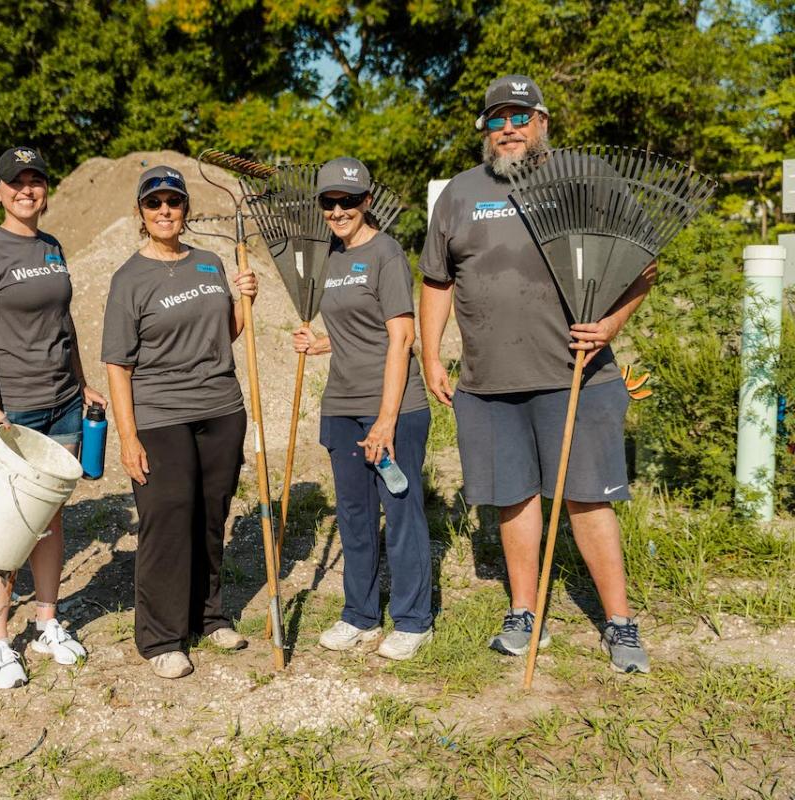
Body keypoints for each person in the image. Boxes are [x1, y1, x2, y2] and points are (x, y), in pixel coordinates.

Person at [419, 75, 654, 673]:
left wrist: (611, 326)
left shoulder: (584, 179)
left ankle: (620, 623)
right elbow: (436, 281)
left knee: (587, 500)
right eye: (496, 119)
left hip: (575, 374)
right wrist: (428, 354)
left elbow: (645, 262)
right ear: (485, 132)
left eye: (520, 117)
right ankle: (526, 613)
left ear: (543, 122)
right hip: (487, 381)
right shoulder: (459, 195)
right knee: (512, 497)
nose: (509, 129)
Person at [0, 145, 105, 689]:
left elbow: (64, 323)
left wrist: (83, 379)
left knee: (49, 518)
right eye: (15, 183)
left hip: (63, 400)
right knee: (6, 523)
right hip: (13, 408)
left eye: (35, 181)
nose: (26, 190)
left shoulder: (52, 246)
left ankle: (46, 621)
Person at [101, 165, 258, 679]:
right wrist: (128, 437)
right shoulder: (129, 279)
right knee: (167, 519)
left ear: (186, 209)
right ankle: (162, 636)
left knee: (212, 517)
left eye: (173, 201)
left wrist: (246, 303)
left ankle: (208, 617)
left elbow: (224, 335)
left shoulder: (210, 263)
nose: (164, 210)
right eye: (154, 203)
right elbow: (117, 364)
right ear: (141, 214)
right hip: (160, 415)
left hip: (221, 408)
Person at [291, 157, 434, 660]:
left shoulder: (386, 253)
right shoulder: (328, 257)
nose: (337, 210)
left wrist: (386, 420)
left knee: (400, 513)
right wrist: (322, 343)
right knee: (353, 516)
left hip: (394, 409)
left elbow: (401, 338)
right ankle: (361, 615)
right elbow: (361, 329)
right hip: (341, 404)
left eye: (348, 201)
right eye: (329, 202)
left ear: (367, 202)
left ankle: (415, 620)